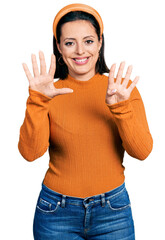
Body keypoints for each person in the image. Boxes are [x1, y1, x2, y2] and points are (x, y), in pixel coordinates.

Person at [18, 3, 153, 240]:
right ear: (59, 47)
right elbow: (30, 153)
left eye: (88, 41)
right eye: (70, 43)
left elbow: (142, 152)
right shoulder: (49, 92)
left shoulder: (121, 89)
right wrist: (38, 101)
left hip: (113, 211)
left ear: (100, 42)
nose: (80, 51)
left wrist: (119, 107)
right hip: (55, 212)